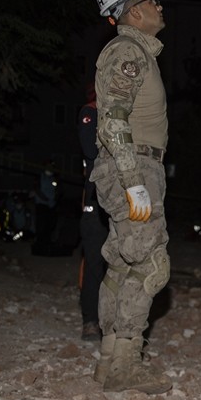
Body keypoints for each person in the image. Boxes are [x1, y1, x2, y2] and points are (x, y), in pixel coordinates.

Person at [90, 0, 172, 394]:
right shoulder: (128, 50)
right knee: (151, 263)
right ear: (134, 11)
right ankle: (127, 363)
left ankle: (109, 362)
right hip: (132, 166)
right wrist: (132, 180)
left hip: (135, 165)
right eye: (151, 1)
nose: (159, 6)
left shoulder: (138, 51)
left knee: (122, 263)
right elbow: (113, 119)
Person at [77, 84, 108, 343]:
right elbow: (91, 151)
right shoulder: (90, 113)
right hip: (96, 201)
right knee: (94, 263)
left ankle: (115, 321)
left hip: (121, 200)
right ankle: (90, 321)